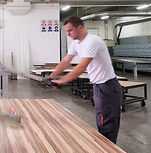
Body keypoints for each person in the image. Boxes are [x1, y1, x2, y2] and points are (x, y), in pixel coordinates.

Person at [46, 16, 122, 144]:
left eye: (70, 30)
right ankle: (105, 150)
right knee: (101, 121)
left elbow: (81, 67)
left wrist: (60, 81)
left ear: (80, 28)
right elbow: (66, 61)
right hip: (98, 86)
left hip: (108, 87)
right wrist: (51, 77)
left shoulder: (92, 41)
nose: (68, 34)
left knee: (108, 124)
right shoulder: (76, 42)